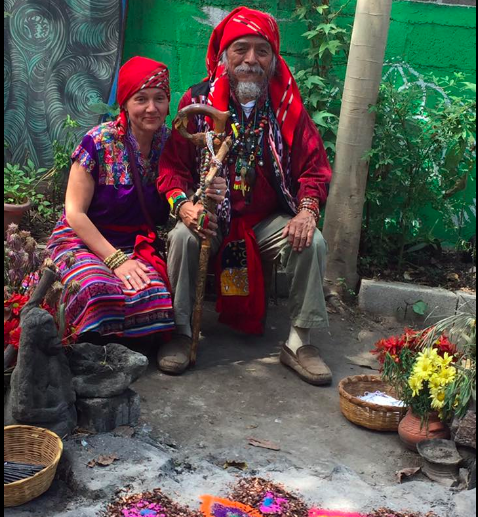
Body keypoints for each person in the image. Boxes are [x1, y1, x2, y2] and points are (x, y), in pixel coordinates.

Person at [157, 7, 333, 385]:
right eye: (241, 49)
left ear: (273, 59)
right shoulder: (198, 101)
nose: (251, 60)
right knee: (183, 237)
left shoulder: (287, 106)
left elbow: (314, 169)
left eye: (261, 51)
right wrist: (184, 205)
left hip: (266, 221)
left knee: (312, 241)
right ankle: (181, 332)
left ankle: (300, 341)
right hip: (213, 215)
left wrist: (306, 211)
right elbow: (171, 169)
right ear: (225, 55)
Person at [47, 56, 226, 344]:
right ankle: (85, 350)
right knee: (97, 290)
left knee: (157, 300)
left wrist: (211, 189)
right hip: (82, 241)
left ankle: (119, 349)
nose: (151, 108)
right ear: (125, 104)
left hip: (136, 245)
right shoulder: (98, 142)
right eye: (141, 99)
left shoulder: (172, 144)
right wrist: (116, 260)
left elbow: (187, 190)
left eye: (159, 98)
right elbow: (75, 214)